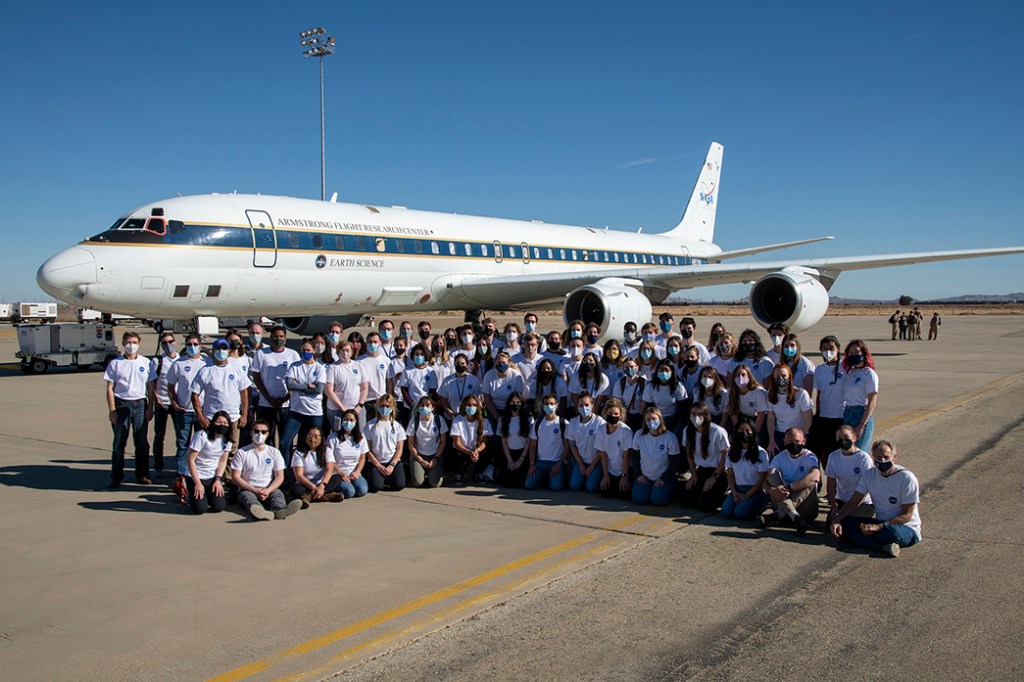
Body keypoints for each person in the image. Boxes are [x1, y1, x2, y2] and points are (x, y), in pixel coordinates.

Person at [830, 439, 921, 557]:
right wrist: (837, 519)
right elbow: (854, 502)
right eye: (878, 457)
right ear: (873, 458)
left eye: (886, 457)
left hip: (904, 527)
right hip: (880, 522)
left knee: (893, 533)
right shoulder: (869, 475)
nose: (882, 461)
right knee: (846, 524)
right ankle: (883, 546)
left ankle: (871, 542)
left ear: (894, 457)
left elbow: (907, 515)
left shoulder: (906, 478)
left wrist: (879, 527)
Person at [104, 331, 153, 488]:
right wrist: (112, 410)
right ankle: (116, 476)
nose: (131, 345)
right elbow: (110, 388)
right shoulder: (116, 363)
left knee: (141, 442)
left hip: (140, 404)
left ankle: (142, 475)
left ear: (139, 343)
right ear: (124, 344)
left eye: (134, 342)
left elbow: (151, 387)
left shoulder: (146, 363)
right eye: (128, 342)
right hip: (122, 404)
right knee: (119, 442)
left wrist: (150, 407)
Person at [231, 419, 303, 521]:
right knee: (249, 499)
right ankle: (259, 512)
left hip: (269, 487)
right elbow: (235, 477)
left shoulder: (274, 452)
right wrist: (254, 490)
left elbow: (280, 476)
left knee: (278, 495)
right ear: (251, 432)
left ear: (268, 434)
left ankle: (279, 511)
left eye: (263, 432)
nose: (259, 434)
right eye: (256, 431)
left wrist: (268, 490)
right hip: (248, 488)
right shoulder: (242, 452)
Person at [191, 338, 250, 455]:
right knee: (211, 449)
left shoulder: (236, 370)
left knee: (232, 450)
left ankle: (227, 474)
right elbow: (194, 394)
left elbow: (244, 393)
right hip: (212, 418)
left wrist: (244, 415)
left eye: (224, 349)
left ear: (228, 351)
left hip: (233, 417)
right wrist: (200, 416)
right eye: (218, 349)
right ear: (213, 351)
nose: (221, 352)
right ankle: (212, 473)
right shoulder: (205, 371)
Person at [166, 334, 211, 481]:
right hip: (184, 411)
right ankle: (182, 478)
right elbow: (171, 385)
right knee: (182, 445)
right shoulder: (178, 364)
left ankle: (199, 475)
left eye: (195, 344)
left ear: (200, 345)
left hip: (203, 413)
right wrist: (174, 402)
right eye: (189, 344)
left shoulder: (208, 363)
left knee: (202, 446)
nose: (192, 347)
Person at [760, 427, 820, 534]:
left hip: (806, 508)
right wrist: (771, 490)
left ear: (803, 441)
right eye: (790, 442)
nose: (794, 444)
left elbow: (815, 476)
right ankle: (795, 517)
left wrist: (790, 487)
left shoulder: (809, 456)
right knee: (772, 477)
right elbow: (768, 478)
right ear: (785, 442)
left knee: (810, 480)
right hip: (781, 498)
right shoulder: (780, 457)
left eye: (797, 441)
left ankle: (779, 515)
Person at [250, 325, 301, 447]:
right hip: (266, 404)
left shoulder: (292, 354)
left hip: (286, 404)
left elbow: (297, 379)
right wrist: (268, 397)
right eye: (275, 336)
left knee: (285, 440)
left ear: (285, 338)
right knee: (267, 439)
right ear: (271, 337)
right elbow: (256, 377)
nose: (278, 339)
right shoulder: (261, 354)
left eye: (281, 336)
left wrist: (288, 396)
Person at [278, 339, 325, 458]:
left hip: (314, 412)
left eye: (308, 350)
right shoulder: (295, 366)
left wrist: (298, 386)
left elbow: (318, 389)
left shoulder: (319, 368)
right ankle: (286, 472)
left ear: (314, 351)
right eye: (303, 350)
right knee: (284, 442)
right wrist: (307, 386)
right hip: (296, 411)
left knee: (311, 444)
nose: (306, 352)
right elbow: (289, 385)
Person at [680, 402, 730, 511]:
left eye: (699, 414)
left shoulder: (717, 431)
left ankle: (725, 495)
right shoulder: (687, 431)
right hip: (702, 470)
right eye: (693, 414)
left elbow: (725, 455)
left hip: (718, 472)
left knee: (705, 506)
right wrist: (693, 474)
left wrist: (714, 477)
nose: (696, 417)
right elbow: (689, 454)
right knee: (687, 501)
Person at [184, 410, 232, 515]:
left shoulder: (227, 440)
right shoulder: (201, 436)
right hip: (196, 475)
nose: (221, 425)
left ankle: (207, 496)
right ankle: (188, 493)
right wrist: (197, 483)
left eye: (225, 423)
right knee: (200, 510)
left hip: (212, 476)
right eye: (218, 422)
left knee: (219, 507)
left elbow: (223, 461)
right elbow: (190, 460)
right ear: (213, 422)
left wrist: (218, 480)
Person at [631, 406, 681, 506]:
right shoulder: (639, 435)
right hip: (645, 476)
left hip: (663, 477)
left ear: (660, 419)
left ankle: (670, 489)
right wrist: (638, 474)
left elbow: (674, 463)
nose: (651, 422)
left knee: (657, 500)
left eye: (654, 419)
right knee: (639, 499)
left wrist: (664, 478)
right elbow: (635, 457)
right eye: (648, 420)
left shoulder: (670, 437)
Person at [824, 426, 874, 525]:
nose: (843, 440)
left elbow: (866, 488)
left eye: (846, 437)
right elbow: (830, 485)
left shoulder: (863, 458)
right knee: (831, 524)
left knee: (850, 524)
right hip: (842, 500)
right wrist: (834, 507)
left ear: (854, 437)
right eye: (840, 438)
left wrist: (849, 510)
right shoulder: (833, 457)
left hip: (862, 502)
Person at [720, 422, 769, 520]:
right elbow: (730, 475)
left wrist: (747, 495)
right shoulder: (731, 452)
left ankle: (759, 506)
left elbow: (762, 478)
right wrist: (734, 493)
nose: (744, 433)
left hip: (754, 490)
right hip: (738, 489)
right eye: (741, 430)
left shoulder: (761, 452)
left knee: (740, 513)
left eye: (747, 430)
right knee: (726, 512)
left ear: (753, 432)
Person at [809, 335, 846, 466]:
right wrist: (818, 413)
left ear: (838, 349)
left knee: (840, 453)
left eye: (831, 348)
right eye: (824, 348)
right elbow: (819, 394)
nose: (828, 351)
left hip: (841, 417)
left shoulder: (845, 367)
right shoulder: (819, 370)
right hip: (825, 417)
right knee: (826, 453)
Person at [146, 331, 178, 478]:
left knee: (181, 437)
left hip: (177, 404)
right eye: (164, 343)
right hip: (162, 403)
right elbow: (151, 382)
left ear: (175, 342)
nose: (168, 345)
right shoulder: (158, 361)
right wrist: (155, 399)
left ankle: (180, 466)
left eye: (170, 342)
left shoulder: (181, 360)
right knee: (159, 436)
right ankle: (158, 466)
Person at [288, 426, 345, 506]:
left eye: (316, 436)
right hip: (306, 484)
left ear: (321, 438)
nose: (312, 439)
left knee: (337, 478)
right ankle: (325, 496)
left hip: (323, 483)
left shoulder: (327, 450)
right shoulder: (298, 452)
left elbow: (329, 470)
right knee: (296, 490)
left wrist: (321, 486)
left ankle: (309, 497)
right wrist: (314, 488)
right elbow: (299, 475)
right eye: (310, 436)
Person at [766, 364, 813, 456]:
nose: (781, 379)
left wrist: (798, 438)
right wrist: (771, 440)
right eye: (777, 376)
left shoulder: (801, 394)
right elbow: (770, 419)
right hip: (780, 435)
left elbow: (808, 420)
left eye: (784, 376)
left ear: (790, 377)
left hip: (799, 435)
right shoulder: (770, 395)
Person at [524, 393, 568, 491]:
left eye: (552, 404)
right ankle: (543, 478)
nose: (549, 406)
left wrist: (560, 463)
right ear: (543, 406)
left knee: (555, 487)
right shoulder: (538, 423)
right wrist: (532, 465)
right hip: (541, 462)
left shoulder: (563, 423)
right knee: (529, 485)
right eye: (546, 404)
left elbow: (567, 447)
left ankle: (556, 477)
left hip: (557, 462)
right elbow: (532, 446)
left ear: (557, 405)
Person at [364, 395, 407, 493]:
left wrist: (392, 465)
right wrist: (378, 465)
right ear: (378, 406)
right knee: (375, 487)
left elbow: (399, 449)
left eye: (388, 406)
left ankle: (388, 477)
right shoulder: (370, 426)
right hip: (376, 462)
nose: (385, 408)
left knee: (399, 485)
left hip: (392, 462)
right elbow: (367, 449)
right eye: (382, 405)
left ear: (392, 408)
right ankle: (379, 478)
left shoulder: (397, 426)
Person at [841, 339, 879, 450]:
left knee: (860, 451)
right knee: (848, 451)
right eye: (851, 353)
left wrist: (862, 424)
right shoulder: (849, 373)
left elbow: (872, 401)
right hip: (848, 414)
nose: (854, 355)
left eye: (857, 352)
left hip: (861, 414)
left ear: (863, 353)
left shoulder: (869, 374)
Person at [325, 339, 369, 431]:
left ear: (352, 352)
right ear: (338, 352)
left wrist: (359, 405)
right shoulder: (332, 368)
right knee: (339, 435)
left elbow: (364, 388)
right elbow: (329, 390)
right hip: (337, 409)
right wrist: (342, 408)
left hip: (356, 409)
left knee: (359, 435)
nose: (345, 353)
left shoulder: (359, 366)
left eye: (347, 350)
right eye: (342, 350)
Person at [566, 392, 606, 493]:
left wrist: (592, 466)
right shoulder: (573, 422)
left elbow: (602, 448)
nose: (584, 408)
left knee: (591, 488)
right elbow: (572, 445)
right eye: (581, 405)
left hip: (596, 462)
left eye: (587, 405)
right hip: (581, 461)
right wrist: (580, 464)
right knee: (574, 486)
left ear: (592, 405)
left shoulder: (600, 422)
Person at [406, 396, 448, 488]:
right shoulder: (414, 421)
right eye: (422, 405)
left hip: (435, 455)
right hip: (419, 455)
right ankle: (421, 471)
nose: (424, 407)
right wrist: (421, 460)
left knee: (435, 483)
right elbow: (411, 445)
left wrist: (435, 459)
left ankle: (432, 472)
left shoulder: (439, 420)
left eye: (427, 405)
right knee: (418, 483)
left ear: (433, 408)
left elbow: (443, 442)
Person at [595, 398, 633, 499]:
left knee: (624, 495)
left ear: (621, 415)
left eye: (616, 414)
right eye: (610, 413)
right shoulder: (600, 429)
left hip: (624, 470)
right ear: (605, 413)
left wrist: (624, 476)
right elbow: (603, 454)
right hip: (611, 470)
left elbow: (626, 456)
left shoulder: (626, 431)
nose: (613, 416)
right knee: (605, 493)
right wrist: (606, 475)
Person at [326, 410, 369, 498]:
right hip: (338, 473)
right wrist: (341, 473)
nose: (348, 422)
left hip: (353, 472)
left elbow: (362, 457)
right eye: (346, 419)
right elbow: (330, 460)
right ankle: (334, 488)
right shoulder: (333, 437)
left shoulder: (361, 437)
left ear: (356, 422)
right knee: (350, 492)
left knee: (362, 490)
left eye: (351, 420)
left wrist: (357, 472)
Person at [450, 395, 492, 483]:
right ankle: (458, 474)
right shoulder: (458, 420)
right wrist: (469, 452)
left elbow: (484, 442)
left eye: (474, 405)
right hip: (463, 450)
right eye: (469, 405)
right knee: (456, 454)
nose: (471, 407)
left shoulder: (484, 421)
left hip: (476, 450)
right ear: (464, 406)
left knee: (486, 452)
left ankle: (478, 473)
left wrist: (477, 450)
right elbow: (457, 443)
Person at [723, 364, 768, 445]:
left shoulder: (759, 392)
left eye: (743, 375)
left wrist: (753, 435)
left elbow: (761, 415)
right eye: (737, 375)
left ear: (749, 377)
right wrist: (739, 430)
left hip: (757, 419)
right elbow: (733, 413)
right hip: (742, 417)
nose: (740, 377)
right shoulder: (731, 392)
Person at [481, 351, 525, 428]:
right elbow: (487, 399)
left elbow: (517, 399)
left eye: (504, 362)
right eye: (499, 362)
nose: (501, 364)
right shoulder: (488, 375)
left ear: (509, 363)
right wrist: (498, 418)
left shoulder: (516, 376)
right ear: (494, 363)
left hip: (511, 409)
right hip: (493, 410)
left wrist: (508, 417)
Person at [497, 393, 532, 488]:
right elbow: (503, 441)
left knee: (522, 484)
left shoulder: (528, 419)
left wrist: (521, 459)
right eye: (513, 402)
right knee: (507, 483)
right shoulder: (503, 419)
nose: (515, 404)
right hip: (509, 453)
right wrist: (510, 461)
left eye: (518, 402)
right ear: (509, 403)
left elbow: (529, 441)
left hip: (524, 454)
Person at [642, 359, 688, 433]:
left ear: (672, 372)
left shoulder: (678, 386)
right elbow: (649, 406)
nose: (663, 372)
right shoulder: (650, 386)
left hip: (675, 418)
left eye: (666, 370)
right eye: (661, 370)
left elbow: (682, 408)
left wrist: (673, 423)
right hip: (657, 418)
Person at [437, 354, 481, 424]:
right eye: (457, 363)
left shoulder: (474, 380)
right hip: (451, 418)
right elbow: (444, 401)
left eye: (462, 363)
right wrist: (450, 413)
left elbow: (478, 400)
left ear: (467, 365)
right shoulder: (447, 380)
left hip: (469, 418)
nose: (460, 365)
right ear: (454, 364)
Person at [358, 332, 390, 420]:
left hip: (381, 401)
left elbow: (389, 382)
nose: (372, 344)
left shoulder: (386, 361)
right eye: (370, 342)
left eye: (375, 342)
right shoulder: (359, 361)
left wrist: (389, 399)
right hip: (365, 401)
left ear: (380, 343)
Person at [612, 357, 646, 432]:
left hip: (641, 415)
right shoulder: (620, 383)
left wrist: (640, 416)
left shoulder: (643, 383)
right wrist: (625, 417)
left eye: (631, 367)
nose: (629, 369)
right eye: (626, 367)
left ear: (637, 367)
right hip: (626, 415)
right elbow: (619, 402)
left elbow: (645, 401)